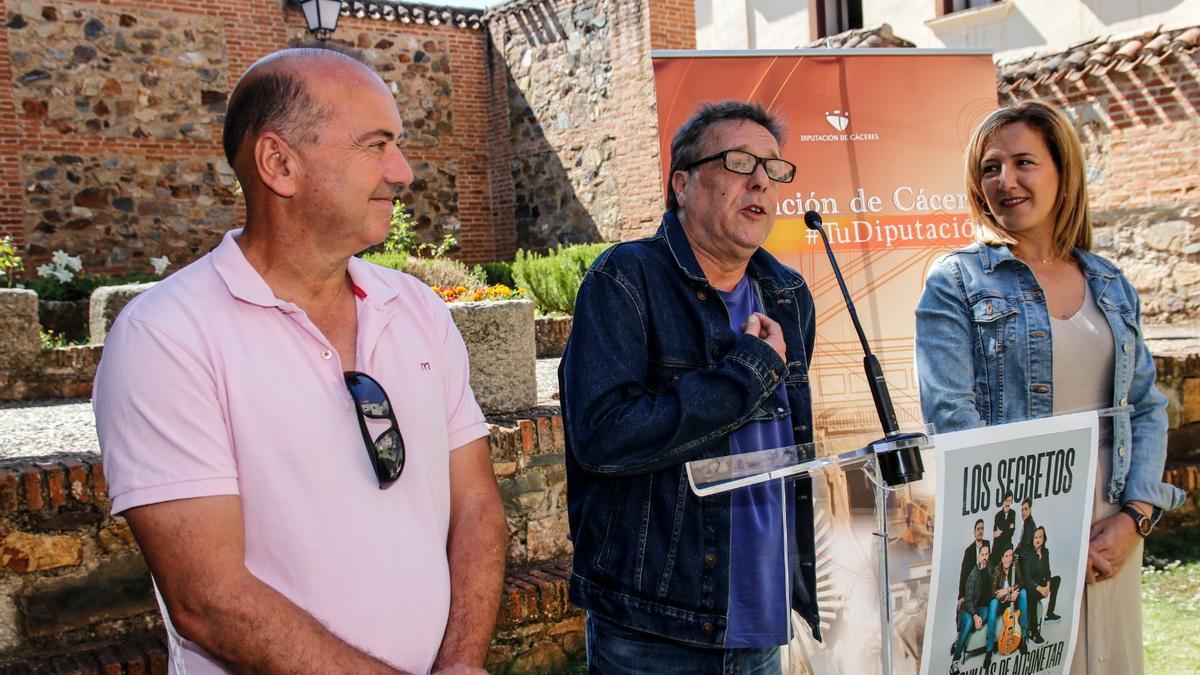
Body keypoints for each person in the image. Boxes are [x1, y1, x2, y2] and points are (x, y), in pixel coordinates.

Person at [93, 47, 507, 675]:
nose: (404, 171)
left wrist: (460, 663)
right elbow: (209, 600)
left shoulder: (417, 309)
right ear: (279, 163)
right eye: (375, 145)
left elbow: (476, 503)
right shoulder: (166, 337)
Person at [915, 99, 1186, 673]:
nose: (1005, 181)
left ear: (1062, 174)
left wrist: (1136, 516)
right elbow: (950, 417)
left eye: (1023, 163)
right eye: (990, 168)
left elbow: (1145, 408)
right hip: (1019, 530)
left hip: (1112, 527)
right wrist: (1033, 535)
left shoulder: (1111, 282)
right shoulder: (956, 281)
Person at [559, 100, 819, 673]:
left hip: (763, 615)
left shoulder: (788, 294)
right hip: (656, 627)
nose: (760, 180)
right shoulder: (624, 280)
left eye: (774, 168)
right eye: (737, 162)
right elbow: (604, 437)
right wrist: (746, 372)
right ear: (683, 183)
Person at [951, 542, 992, 673]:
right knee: (968, 622)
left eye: (986, 554)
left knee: (985, 613)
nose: (984, 557)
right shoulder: (973, 575)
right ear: (978, 557)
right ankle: (954, 663)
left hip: (982, 608)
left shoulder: (991, 570)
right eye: (982, 555)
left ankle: (961, 635)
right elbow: (968, 602)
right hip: (968, 609)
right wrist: (974, 616)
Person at [987, 544, 1029, 666]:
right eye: (1006, 556)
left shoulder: (1015, 566)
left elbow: (1022, 583)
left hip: (1013, 602)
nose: (1008, 559)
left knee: (1024, 593)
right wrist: (1007, 595)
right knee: (993, 603)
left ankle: (1023, 638)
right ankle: (989, 648)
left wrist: (1008, 589)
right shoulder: (997, 570)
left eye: (1010, 555)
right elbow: (993, 594)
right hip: (1002, 603)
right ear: (1001, 558)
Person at [1020, 526, 1062, 644]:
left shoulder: (1045, 552)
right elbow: (1027, 579)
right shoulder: (1028, 556)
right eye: (1036, 537)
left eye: (1040, 537)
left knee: (1057, 579)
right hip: (1032, 588)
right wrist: (1041, 589)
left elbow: (1048, 571)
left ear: (1044, 538)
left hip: (1043, 585)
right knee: (1032, 594)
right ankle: (1034, 632)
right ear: (1032, 539)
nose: (1038, 540)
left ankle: (1050, 613)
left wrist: (1048, 585)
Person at [957, 519, 988, 612]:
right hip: (973, 589)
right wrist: (961, 595)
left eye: (982, 528)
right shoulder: (969, 551)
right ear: (974, 532)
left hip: (984, 587)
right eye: (978, 529)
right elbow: (964, 573)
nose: (980, 531)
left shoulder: (987, 544)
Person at [992, 490, 1016, 555]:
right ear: (1003, 501)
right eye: (1006, 500)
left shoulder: (1012, 513)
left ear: (1011, 501)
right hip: (998, 548)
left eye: (1009, 501)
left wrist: (1001, 532)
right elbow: (995, 534)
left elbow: (1011, 532)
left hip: (1007, 548)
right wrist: (1007, 528)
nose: (1007, 503)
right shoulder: (998, 515)